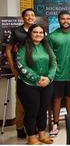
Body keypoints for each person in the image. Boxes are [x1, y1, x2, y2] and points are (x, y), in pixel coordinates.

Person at [16, 24, 56, 145]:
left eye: (40, 32)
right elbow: (21, 65)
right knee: (32, 111)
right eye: (35, 32)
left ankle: (42, 134)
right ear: (30, 34)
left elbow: (54, 63)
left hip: (47, 84)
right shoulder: (23, 48)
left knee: (43, 110)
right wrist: (37, 78)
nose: (38, 35)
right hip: (28, 85)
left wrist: (49, 78)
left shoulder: (47, 46)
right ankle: (31, 137)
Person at [5, 8, 36, 139]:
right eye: (27, 15)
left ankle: (32, 126)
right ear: (23, 17)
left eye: (32, 15)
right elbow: (8, 51)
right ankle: (19, 127)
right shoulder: (16, 32)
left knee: (35, 100)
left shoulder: (38, 30)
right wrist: (14, 70)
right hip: (22, 71)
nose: (30, 17)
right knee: (21, 100)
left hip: (36, 71)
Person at [48, 11, 70, 136]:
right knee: (57, 99)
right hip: (57, 74)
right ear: (58, 20)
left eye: (68, 18)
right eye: (62, 19)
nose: (65, 21)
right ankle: (55, 124)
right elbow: (49, 56)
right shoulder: (52, 36)